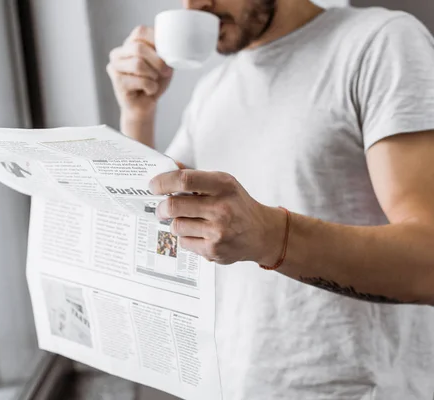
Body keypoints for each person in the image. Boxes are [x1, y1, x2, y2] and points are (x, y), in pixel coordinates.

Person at [106, 0, 434, 398]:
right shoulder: (213, 91)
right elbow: (161, 232)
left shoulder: (379, 42)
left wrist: (268, 235)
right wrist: (137, 116)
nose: (196, 5)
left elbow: (427, 262)